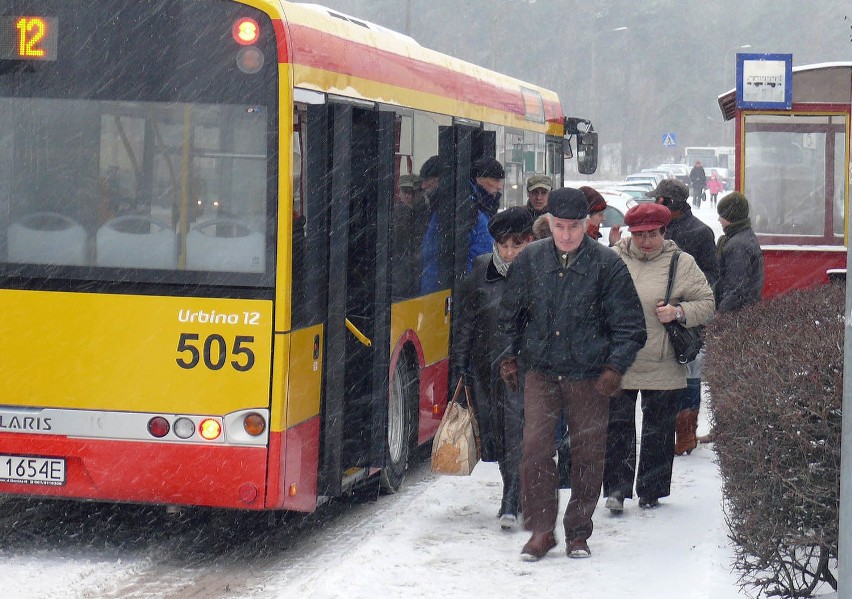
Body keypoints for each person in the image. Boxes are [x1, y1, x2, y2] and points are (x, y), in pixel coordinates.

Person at [497, 187, 646, 561]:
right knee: (534, 450)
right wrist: (508, 357)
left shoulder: (607, 265)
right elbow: (508, 317)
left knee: (588, 454)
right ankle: (542, 531)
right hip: (542, 371)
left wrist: (614, 368)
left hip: (589, 375)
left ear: (587, 225)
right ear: (548, 223)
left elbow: (630, 325)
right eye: (559, 226)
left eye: (574, 227)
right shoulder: (530, 260)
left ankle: (578, 531)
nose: (566, 234)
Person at [603, 203, 715, 513]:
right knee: (617, 428)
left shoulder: (682, 263)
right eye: (639, 235)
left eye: (652, 234)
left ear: (664, 232)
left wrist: (678, 312)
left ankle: (651, 491)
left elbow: (707, 303)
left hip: (664, 362)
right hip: (620, 360)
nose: (646, 241)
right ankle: (616, 490)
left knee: (659, 431)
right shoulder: (612, 258)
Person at [453, 207, 535, 531]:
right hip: (489, 369)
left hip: (529, 368)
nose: (510, 252)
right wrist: (459, 366)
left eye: (517, 244)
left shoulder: (542, 271)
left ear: (529, 241)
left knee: (520, 433)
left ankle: (511, 500)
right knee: (500, 436)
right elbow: (466, 323)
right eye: (504, 244)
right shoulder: (480, 270)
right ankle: (515, 491)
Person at [646, 178, 719, 456]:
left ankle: (686, 432)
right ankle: (667, 429)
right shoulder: (656, 230)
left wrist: (688, 302)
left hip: (687, 318)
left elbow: (712, 275)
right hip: (657, 314)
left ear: (666, 202)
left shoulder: (699, 232)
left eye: (657, 199)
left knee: (690, 372)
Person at [420, 156, 503, 294]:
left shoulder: (466, 207)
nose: (499, 186)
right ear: (479, 179)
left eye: (428, 180)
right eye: (495, 179)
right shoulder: (467, 208)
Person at [715, 192, 764, 313]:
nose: (719, 219)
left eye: (722, 215)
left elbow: (735, 288)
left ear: (731, 216)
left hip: (736, 312)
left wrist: (721, 315)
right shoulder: (744, 236)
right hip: (746, 310)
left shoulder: (737, 245)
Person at [393, 174, 429, 298]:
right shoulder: (395, 215)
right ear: (399, 192)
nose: (409, 196)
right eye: (405, 191)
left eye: (413, 192)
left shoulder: (426, 213)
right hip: (402, 274)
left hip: (419, 272)